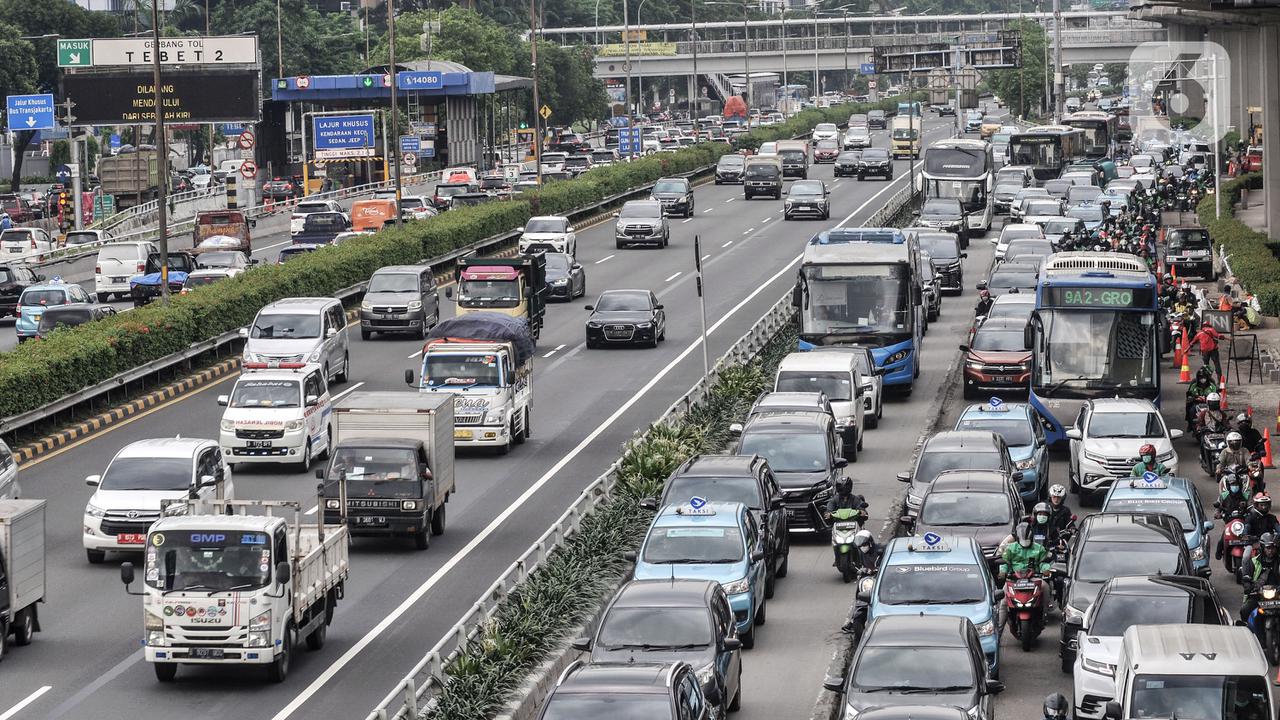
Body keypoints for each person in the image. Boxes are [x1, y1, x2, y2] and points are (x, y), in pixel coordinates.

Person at [826, 476, 868, 566]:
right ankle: (837, 556)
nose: (843, 489)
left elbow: (861, 507)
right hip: (839, 525)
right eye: (841, 487)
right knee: (834, 540)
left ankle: (864, 555)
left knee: (865, 539)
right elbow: (829, 508)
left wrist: (862, 512)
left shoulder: (855, 499)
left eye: (845, 486)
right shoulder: (834, 500)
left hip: (854, 525)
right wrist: (828, 513)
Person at [1241, 533, 1280, 624]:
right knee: (1245, 610)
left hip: (1278, 595)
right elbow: (1247, 577)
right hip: (1258, 595)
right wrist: (1247, 585)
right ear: (1263, 548)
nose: (1270, 551)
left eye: (1273, 548)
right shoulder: (1254, 562)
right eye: (1268, 548)